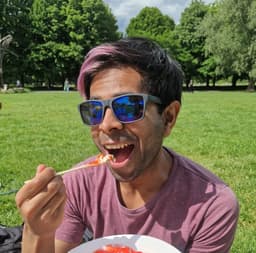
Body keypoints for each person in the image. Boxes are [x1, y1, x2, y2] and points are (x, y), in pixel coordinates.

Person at [15, 37, 239, 253]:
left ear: (168, 117)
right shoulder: (76, 185)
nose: (107, 124)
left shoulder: (213, 206)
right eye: (94, 109)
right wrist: (37, 232)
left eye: (128, 106)